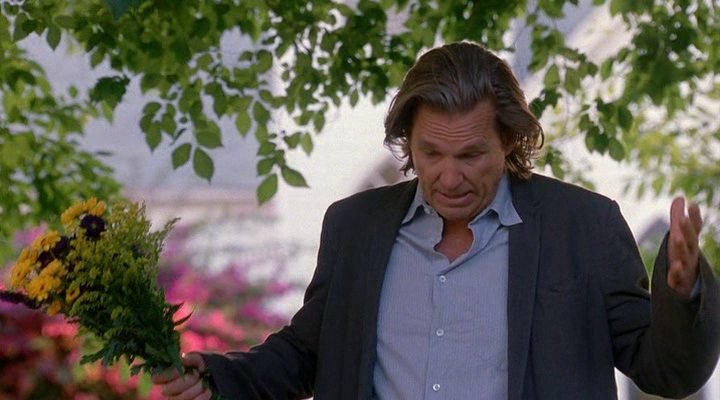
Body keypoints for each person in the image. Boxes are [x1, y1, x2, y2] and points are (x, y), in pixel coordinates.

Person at [152, 41, 720, 399]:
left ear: (509, 140)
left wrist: (684, 291)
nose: (449, 177)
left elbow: (669, 372)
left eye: (470, 155)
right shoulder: (354, 227)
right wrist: (218, 378)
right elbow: (307, 353)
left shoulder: (584, 226)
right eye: (431, 153)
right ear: (407, 142)